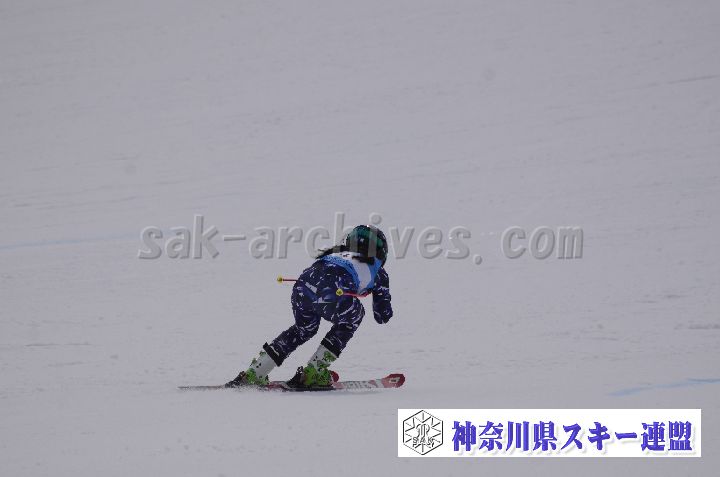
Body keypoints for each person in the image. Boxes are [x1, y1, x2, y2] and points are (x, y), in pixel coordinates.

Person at [226, 225, 393, 388]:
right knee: (355, 315)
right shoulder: (378, 271)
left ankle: (256, 371)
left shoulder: (336, 252)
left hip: (302, 287)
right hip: (333, 293)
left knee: (303, 329)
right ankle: (315, 371)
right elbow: (382, 316)